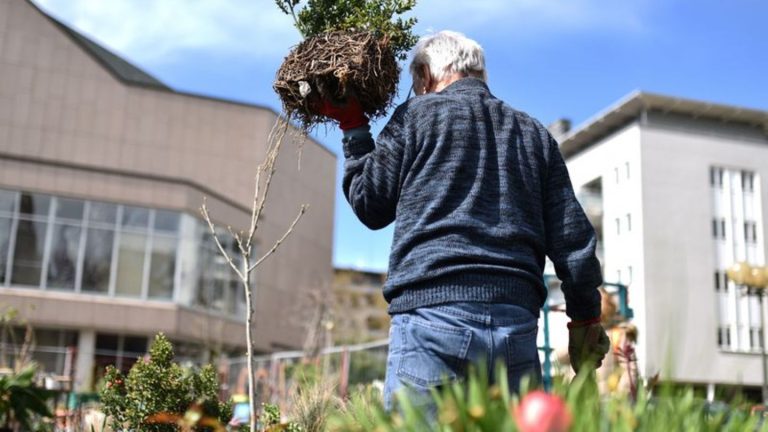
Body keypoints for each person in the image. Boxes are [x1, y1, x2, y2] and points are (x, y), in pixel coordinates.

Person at [316, 30, 610, 411]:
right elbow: (573, 240)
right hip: (515, 328)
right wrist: (585, 319)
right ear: (479, 73)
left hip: (430, 321)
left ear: (424, 75)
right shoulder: (534, 134)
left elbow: (370, 204)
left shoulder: (416, 117)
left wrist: (353, 127)